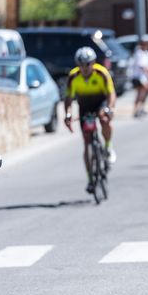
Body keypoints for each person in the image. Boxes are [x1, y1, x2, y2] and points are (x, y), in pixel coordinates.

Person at [64, 47, 116, 194]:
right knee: (87, 143)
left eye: (87, 64)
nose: (85, 68)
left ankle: (108, 146)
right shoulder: (73, 76)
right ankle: (90, 179)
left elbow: (111, 93)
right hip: (84, 106)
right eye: (81, 65)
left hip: (100, 102)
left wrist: (109, 108)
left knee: (104, 119)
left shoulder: (101, 73)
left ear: (93, 63)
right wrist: (68, 114)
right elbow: (68, 98)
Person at [131, 39, 148, 118]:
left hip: (143, 77)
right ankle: (137, 109)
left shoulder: (146, 53)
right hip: (138, 76)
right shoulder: (139, 53)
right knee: (143, 91)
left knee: (142, 92)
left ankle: (140, 108)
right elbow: (143, 66)